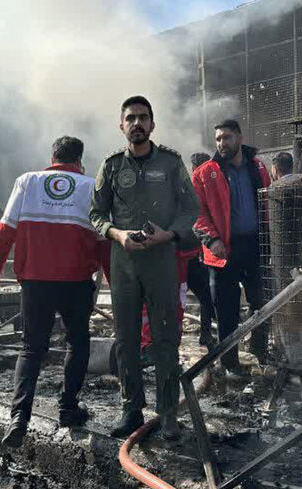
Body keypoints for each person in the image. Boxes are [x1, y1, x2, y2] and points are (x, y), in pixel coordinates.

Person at [90, 95, 200, 440]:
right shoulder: (110, 166)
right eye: (130, 118)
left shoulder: (170, 163)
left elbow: (191, 207)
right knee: (125, 340)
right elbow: (95, 214)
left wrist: (169, 234)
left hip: (161, 262)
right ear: (121, 125)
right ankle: (131, 410)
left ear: (152, 124)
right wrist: (118, 234)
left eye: (143, 117)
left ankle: (168, 413)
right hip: (123, 265)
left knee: (166, 339)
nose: (137, 123)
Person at [0, 136, 98, 448]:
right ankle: (68, 409)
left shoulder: (27, 181)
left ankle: (19, 417)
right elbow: (102, 241)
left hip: (35, 282)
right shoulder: (89, 186)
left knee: (31, 348)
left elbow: (4, 230)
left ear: (53, 156)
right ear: (79, 160)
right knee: (78, 342)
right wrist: (114, 280)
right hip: (76, 283)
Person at [191, 119, 272, 376]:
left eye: (226, 137)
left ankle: (261, 354)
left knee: (261, 303)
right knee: (226, 309)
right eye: (218, 139)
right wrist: (212, 240)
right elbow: (196, 213)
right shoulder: (204, 173)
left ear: (239, 137)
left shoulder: (259, 168)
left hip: (256, 246)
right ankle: (230, 363)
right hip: (222, 250)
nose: (221, 143)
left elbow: (268, 205)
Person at [188, 152, 217, 346]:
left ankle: (205, 334)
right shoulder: (198, 190)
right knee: (207, 297)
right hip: (196, 256)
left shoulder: (192, 189)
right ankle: (206, 334)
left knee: (205, 297)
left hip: (192, 256)